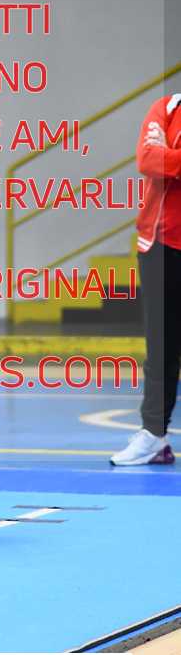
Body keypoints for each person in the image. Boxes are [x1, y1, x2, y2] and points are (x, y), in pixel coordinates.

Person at [111, 93, 181, 465]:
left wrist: (173, 160)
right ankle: (154, 436)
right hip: (162, 244)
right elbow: (148, 159)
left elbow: (162, 160)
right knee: (161, 348)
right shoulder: (167, 108)